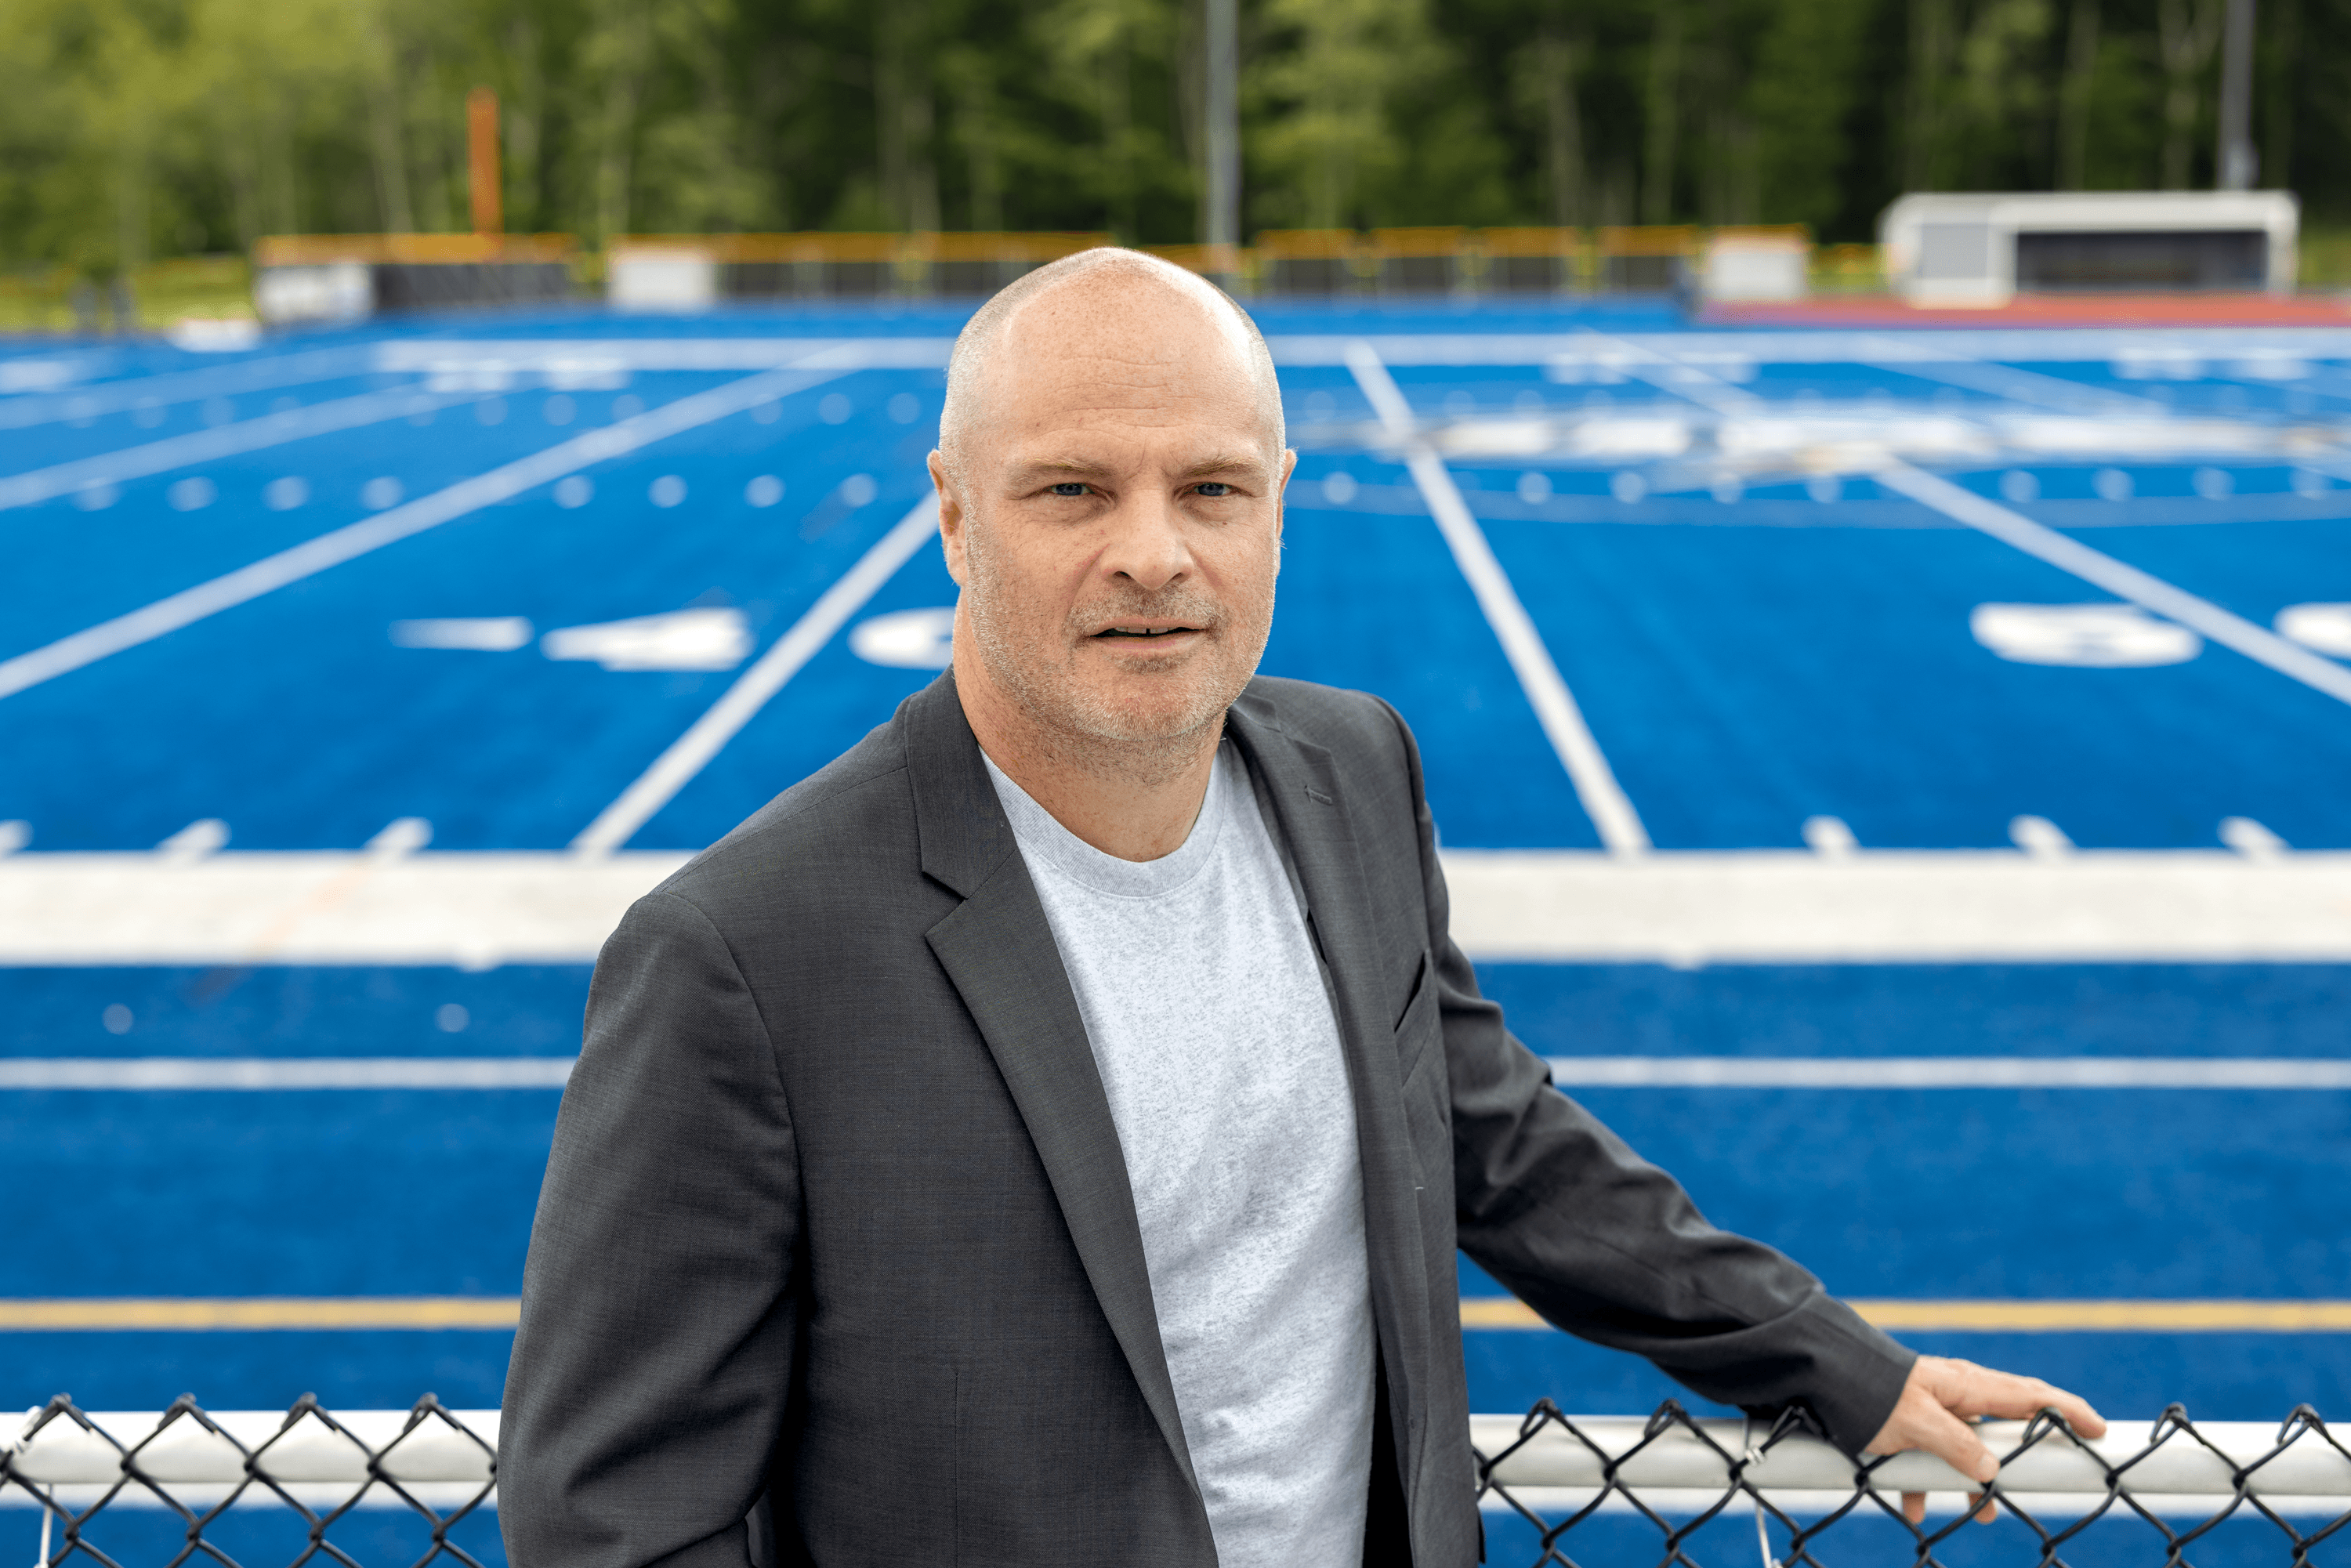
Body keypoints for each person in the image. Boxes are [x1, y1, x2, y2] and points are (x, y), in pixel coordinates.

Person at [500, 248, 2103, 1568]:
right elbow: (614, 1521)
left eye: (1211, 488)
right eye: (1071, 489)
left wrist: (1838, 1364)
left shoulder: (1353, 774)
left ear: (1277, 504)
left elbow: (1498, 1136)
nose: (1155, 554)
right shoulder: (742, 952)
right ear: (953, 514)